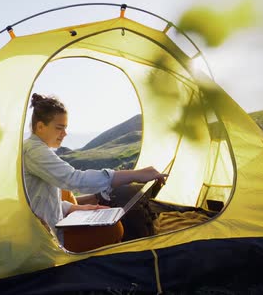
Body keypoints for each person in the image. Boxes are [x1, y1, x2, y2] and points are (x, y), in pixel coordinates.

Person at [23, 93, 167, 248]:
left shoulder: (36, 149)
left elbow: (39, 199)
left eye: (65, 128)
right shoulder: (34, 150)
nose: (64, 134)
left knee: (111, 217)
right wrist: (136, 175)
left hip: (51, 223)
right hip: (45, 238)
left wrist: (75, 208)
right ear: (40, 126)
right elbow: (74, 180)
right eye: (59, 128)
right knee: (114, 230)